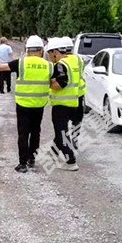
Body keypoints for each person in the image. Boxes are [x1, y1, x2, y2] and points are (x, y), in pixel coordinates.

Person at [0, 35, 52, 173]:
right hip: (39, 105)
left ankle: (22, 164)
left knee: (23, 133)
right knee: (35, 132)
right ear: (41, 50)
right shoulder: (49, 65)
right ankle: (32, 159)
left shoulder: (21, 63)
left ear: (27, 50)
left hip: (23, 105)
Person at [45, 38, 79, 171]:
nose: (50, 57)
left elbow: (61, 83)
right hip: (73, 102)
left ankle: (71, 161)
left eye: (50, 53)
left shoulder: (60, 64)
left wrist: (49, 84)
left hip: (61, 104)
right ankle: (52, 155)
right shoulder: (75, 60)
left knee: (62, 133)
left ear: (55, 52)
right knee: (60, 132)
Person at [61, 36, 85, 151]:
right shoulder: (79, 59)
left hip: (65, 96)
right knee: (77, 120)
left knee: (63, 123)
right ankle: (75, 139)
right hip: (79, 94)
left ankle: (65, 143)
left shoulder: (61, 61)